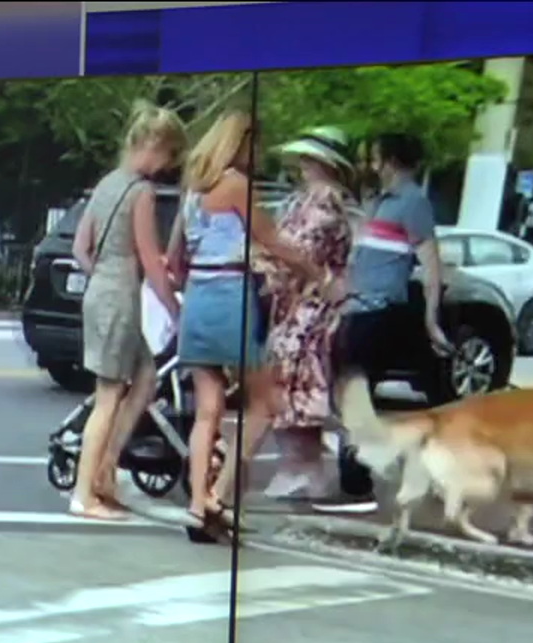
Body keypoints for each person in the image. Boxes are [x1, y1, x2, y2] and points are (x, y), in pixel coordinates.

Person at [168, 111, 336, 542]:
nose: (257, 154)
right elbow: (274, 242)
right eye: (254, 145)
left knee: (208, 410)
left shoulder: (192, 191)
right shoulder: (236, 185)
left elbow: (175, 258)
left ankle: (198, 503)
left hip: (198, 299)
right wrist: (318, 276)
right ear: (240, 142)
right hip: (231, 295)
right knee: (265, 402)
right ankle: (220, 494)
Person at [317, 132, 450, 514]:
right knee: (346, 394)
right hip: (356, 309)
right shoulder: (376, 203)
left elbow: (431, 265)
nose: (370, 165)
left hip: (379, 312)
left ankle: (356, 486)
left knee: (354, 394)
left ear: (390, 161)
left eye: (374, 158)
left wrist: (431, 318)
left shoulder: (413, 203)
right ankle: (369, 472)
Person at [68, 100, 187, 521]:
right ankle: (85, 493)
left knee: (145, 376)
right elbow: (151, 259)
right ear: (153, 145)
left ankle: (105, 471)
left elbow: (80, 247)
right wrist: (173, 307)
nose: (168, 165)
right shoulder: (141, 192)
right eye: (169, 153)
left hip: (100, 291)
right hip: (120, 297)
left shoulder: (106, 184)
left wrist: (103, 273)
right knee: (109, 395)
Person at [259, 126, 356, 500]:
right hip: (298, 303)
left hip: (310, 306)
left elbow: (299, 253)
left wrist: (265, 258)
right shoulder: (309, 200)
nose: (301, 165)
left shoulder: (323, 204)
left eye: (307, 159)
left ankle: (301, 467)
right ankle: (302, 467)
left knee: (296, 381)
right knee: (291, 381)